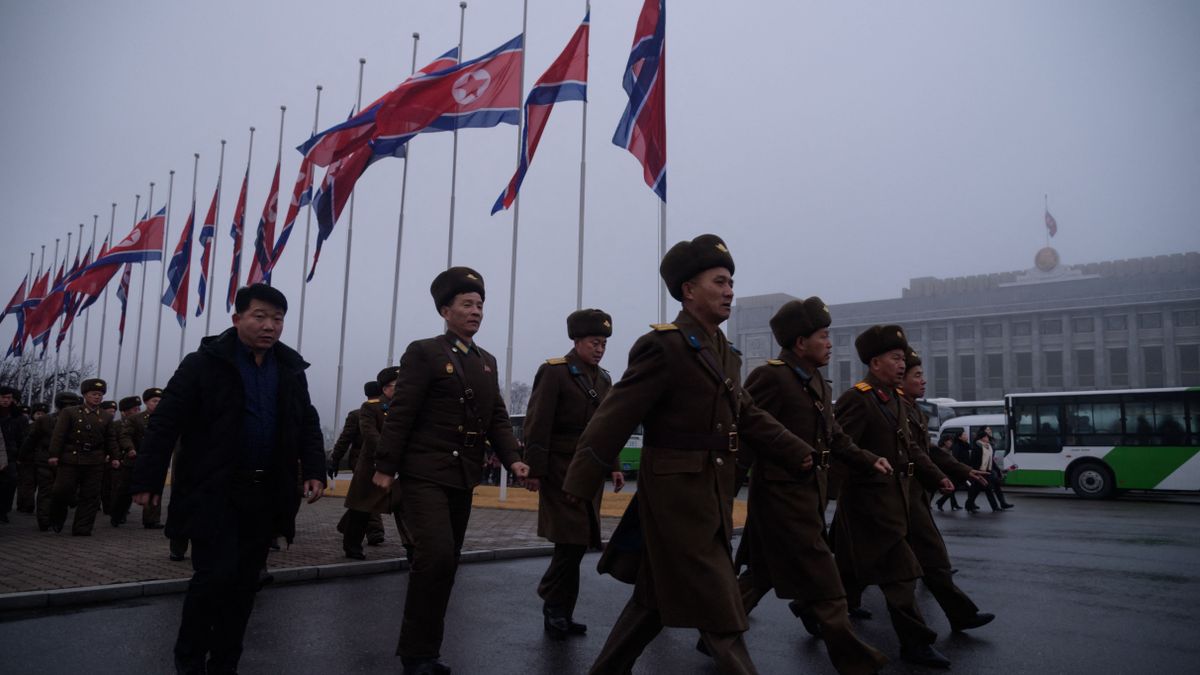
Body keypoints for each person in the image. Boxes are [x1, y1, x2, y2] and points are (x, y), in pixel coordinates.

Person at [561, 234, 816, 675]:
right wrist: (579, 485)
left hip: (711, 493)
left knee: (652, 599)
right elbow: (613, 418)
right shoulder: (664, 346)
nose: (730, 290)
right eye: (719, 281)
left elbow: (748, 414)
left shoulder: (726, 353)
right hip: (676, 497)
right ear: (688, 290)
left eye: (732, 281)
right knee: (719, 605)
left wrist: (798, 450)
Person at [130, 283, 326, 675]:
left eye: (277, 319)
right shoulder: (204, 363)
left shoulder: (289, 369)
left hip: (265, 492)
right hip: (214, 490)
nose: (269, 326)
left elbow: (306, 422)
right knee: (214, 577)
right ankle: (189, 660)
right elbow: (166, 422)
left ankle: (225, 663)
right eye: (260, 316)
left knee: (244, 584)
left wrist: (316, 470)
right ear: (237, 319)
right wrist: (148, 479)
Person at [371, 267, 531, 675]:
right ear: (445, 310)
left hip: (462, 475)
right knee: (436, 556)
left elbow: (496, 417)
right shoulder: (424, 352)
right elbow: (402, 412)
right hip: (424, 471)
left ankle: (427, 651)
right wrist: (386, 466)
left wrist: (513, 458)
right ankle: (415, 653)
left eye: (479, 305)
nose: (476, 311)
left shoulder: (486, 361)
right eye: (466, 304)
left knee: (447, 560)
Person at [732, 297, 890, 675]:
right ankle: (855, 659)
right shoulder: (771, 377)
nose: (830, 342)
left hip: (808, 494)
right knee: (825, 575)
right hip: (781, 497)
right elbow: (747, 431)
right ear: (800, 343)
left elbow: (834, 435)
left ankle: (716, 631)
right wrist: (725, 490)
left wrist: (869, 459)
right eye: (823, 335)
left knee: (764, 574)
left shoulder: (818, 381)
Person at [831, 325, 956, 669]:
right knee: (901, 576)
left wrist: (939, 476)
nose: (902, 365)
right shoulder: (858, 399)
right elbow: (839, 445)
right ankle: (915, 644)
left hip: (894, 504)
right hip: (869, 508)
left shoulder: (891, 399)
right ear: (874, 362)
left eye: (904, 359)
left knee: (852, 576)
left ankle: (816, 611)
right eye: (895, 358)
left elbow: (911, 447)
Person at [522, 308, 622, 640]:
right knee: (571, 541)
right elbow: (538, 424)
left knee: (577, 544)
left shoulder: (604, 378)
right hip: (560, 471)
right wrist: (535, 470)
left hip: (590, 472)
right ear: (577, 341)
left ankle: (561, 610)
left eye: (604, 343)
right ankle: (554, 606)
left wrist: (616, 466)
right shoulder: (555, 373)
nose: (600, 348)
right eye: (595, 342)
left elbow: (608, 427)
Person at [898, 347, 996, 633]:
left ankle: (959, 615)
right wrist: (941, 476)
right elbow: (914, 451)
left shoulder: (914, 409)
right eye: (917, 375)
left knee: (930, 557)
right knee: (873, 564)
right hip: (892, 494)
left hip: (912, 492)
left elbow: (927, 450)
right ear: (901, 380)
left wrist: (963, 470)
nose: (923, 380)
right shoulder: (892, 407)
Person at [342, 369, 412, 560]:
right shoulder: (371, 408)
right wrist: (389, 454)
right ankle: (352, 545)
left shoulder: (406, 408)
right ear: (385, 388)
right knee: (362, 509)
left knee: (405, 508)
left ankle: (412, 547)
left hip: (400, 469)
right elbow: (370, 434)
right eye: (396, 386)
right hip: (373, 467)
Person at [47, 378, 117, 535]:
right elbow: (59, 435)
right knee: (61, 491)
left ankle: (82, 528)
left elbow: (111, 438)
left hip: (95, 459)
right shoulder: (70, 412)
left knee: (91, 496)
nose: (97, 397)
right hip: (71, 458)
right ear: (85, 395)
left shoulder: (106, 416)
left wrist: (115, 457)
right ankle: (57, 518)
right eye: (94, 394)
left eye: (100, 394)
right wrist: (54, 455)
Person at [330, 382, 386, 547]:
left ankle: (346, 525)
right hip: (362, 463)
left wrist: (335, 458)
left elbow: (344, 440)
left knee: (365, 497)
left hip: (378, 461)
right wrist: (335, 459)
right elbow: (345, 439)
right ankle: (374, 531)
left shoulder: (386, 412)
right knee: (370, 496)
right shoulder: (358, 414)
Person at [21, 392, 80, 530]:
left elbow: (31, 440)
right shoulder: (47, 420)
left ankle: (49, 520)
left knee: (50, 492)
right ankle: (48, 520)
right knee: (50, 491)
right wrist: (22, 456)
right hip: (49, 460)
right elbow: (31, 439)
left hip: (60, 461)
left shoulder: (47, 420)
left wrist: (22, 456)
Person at [112, 388, 165, 529]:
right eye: (154, 401)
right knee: (125, 490)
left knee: (154, 489)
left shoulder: (165, 419)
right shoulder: (136, 419)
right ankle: (117, 515)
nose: (158, 404)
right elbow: (125, 435)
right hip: (135, 459)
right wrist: (130, 448)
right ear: (147, 402)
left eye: (160, 401)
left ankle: (151, 520)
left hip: (155, 461)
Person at [0, 385, 29, 523]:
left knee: (9, 484)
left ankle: (4, 510)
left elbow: (23, 438)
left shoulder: (18, 417)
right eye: (3, 397)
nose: (6, 400)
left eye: (9, 398)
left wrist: (20, 456)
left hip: (11, 455)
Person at [14, 402, 46, 514]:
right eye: (38, 413)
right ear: (33, 415)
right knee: (27, 484)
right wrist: (21, 457)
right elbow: (24, 443)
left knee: (39, 485)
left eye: (42, 414)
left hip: (42, 460)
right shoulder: (28, 427)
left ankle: (28, 505)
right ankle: (26, 505)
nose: (40, 416)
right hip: (28, 460)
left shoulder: (49, 428)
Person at [966, 428, 1003, 512]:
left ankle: (994, 507)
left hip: (987, 471)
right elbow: (974, 461)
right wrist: (977, 472)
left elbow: (991, 460)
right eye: (986, 437)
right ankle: (969, 505)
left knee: (986, 489)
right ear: (981, 438)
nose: (987, 439)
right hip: (979, 471)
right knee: (977, 490)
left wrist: (996, 470)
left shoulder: (989, 447)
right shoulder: (977, 447)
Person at [933, 433, 964, 511]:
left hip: (949, 472)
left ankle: (950, 504)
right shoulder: (942, 451)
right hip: (945, 473)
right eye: (949, 441)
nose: (951, 443)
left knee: (952, 489)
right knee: (951, 489)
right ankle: (941, 502)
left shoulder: (949, 451)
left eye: (951, 441)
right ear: (945, 442)